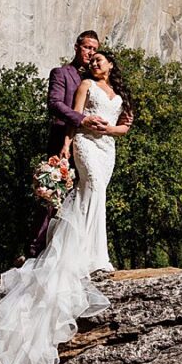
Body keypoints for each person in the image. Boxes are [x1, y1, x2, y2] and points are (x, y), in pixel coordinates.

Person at [0, 48, 134, 364]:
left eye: (99, 60)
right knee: (89, 187)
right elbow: (73, 120)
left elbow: (124, 127)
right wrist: (65, 148)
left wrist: (112, 131)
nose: (94, 63)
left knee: (99, 194)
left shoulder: (118, 93)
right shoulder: (85, 86)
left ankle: (96, 254)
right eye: (91, 61)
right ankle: (88, 256)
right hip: (86, 146)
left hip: (107, 148)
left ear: (111, 65)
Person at [23, 31, 127, 259]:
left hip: (98, 145)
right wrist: (81, 121)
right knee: (52, 195)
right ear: (77, 47)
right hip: (64, 140)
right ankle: (35, 251)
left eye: (94, 49)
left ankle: (80, 252)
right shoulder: (62, 73)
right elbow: (54, 103)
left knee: (87, 194)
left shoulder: (98, 78)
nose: (91, 53)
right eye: (87, 48)